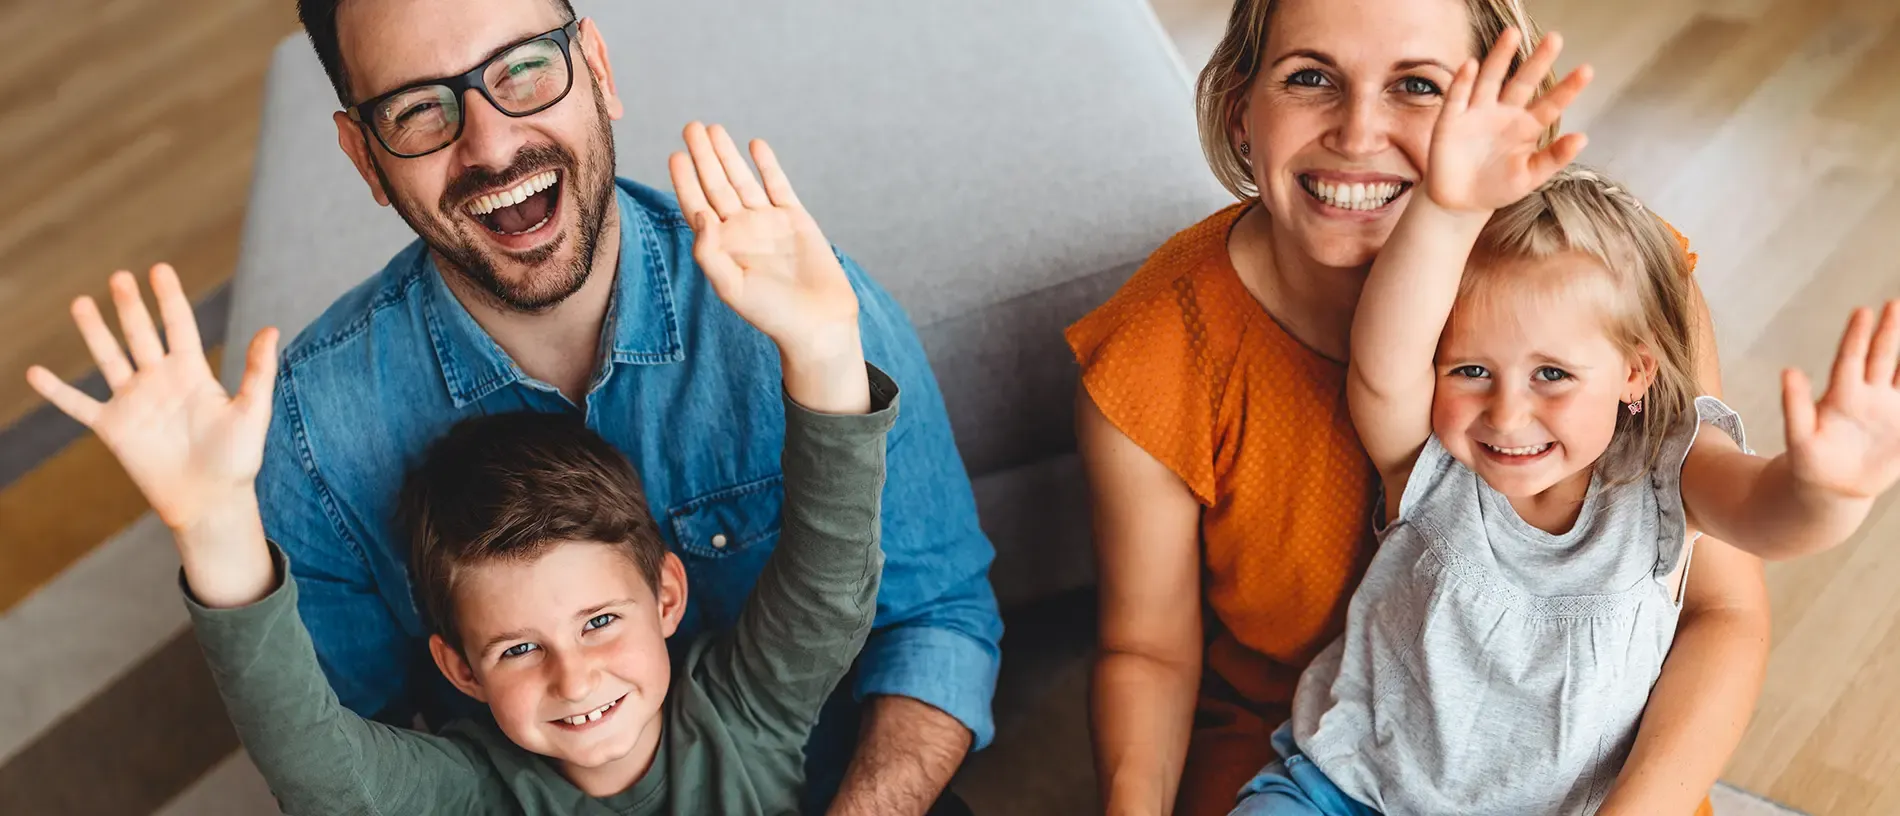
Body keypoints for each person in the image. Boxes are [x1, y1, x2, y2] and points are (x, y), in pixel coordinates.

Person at [253, 1, 1001, 811]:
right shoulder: (311, 438)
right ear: (366, 158)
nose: (493, 144)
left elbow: (935, 618)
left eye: (524, 68)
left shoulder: (809, 313)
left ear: (598, 71)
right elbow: (342, 754)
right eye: (419, 110)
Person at [25, 132, 908, 814]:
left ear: (667, 597)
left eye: (600, 619)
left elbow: (831, 584)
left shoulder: (743, 710)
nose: (574, 677)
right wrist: (215, 526)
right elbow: (321, 770)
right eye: (518, 648)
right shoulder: (474, 788)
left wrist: (824, 353)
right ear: (458, 669)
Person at [1068, 1, 1771, 814]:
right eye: (1309, 77)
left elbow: (1719, 612)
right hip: (1315, 761)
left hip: (1575, 779)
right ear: (1239, 114)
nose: (1359, 133)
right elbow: (1147, 652)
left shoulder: (1623, 295)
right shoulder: (1153, 353)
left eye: (1417, 85)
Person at [1227, 29, 1900, 816]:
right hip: (1348, 791)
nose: (1507, 413)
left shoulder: (1667, 469)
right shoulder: (1429, 462)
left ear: (1636, 372)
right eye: (1470, 370)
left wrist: (1829, 491)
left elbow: (1767, 515)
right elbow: (1386, 356)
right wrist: (1446, 206)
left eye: (1553, 375)